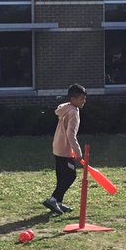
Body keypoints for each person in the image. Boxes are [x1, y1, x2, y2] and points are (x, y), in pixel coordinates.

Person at [42, 84, 87, 214]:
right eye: (81, 99)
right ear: (73, 99)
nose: (84, 101)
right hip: (65, 150)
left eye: (84, 98)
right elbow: (70, 134)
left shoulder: (66, 108)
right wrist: (78, 152)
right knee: (70, 176)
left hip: (58, 146)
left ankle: (58, 203)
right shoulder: (73, 112)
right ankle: (53, 199)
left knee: (62, 176)